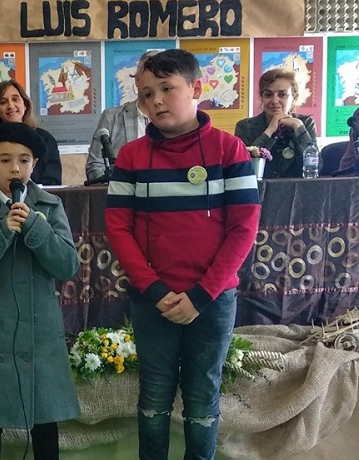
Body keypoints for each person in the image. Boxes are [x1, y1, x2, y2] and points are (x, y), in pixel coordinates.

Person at [105, 49, 260, 460]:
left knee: (202, 395)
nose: (155, 101)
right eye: (145, 94)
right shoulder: (131, 157)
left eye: (166, 89)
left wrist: (202, 295)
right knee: (153, 395)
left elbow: (243, 229)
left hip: (211, 301)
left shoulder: (231, 151)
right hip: (152, 300)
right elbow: (118, 228)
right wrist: (154, 290)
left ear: (196, 88)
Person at [0, 121, 80, 460]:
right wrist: (0, 231)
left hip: (39, 334)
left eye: (24, 160)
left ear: (34, 164)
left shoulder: (50, 207)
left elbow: (67, 266)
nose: (15, 168)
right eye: (5, 160)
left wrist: (35, 226)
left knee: (44, 424)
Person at [86, 50, 160, 182]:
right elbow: (94, 167)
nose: (153, 81)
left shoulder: (175, 119)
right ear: (137, 80)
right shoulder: (112, 117)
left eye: (160, 76)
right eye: (148, 73)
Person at [234, 68, 318, 178]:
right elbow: (243, 168)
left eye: (282, 94)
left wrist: (299, 128)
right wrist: (269, 131)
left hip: (298, 191)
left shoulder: (305, 123)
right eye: (268, 95)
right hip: (259, 191)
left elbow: (316, 167)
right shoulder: (245, 126)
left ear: (294, 97)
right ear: (262, 97)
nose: (274, 101)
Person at [0, 80, 62, 185]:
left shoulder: (45, 139)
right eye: (3, 102)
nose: (11, 106)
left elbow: (53, 182)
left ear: (25, 105)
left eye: (15, 99)